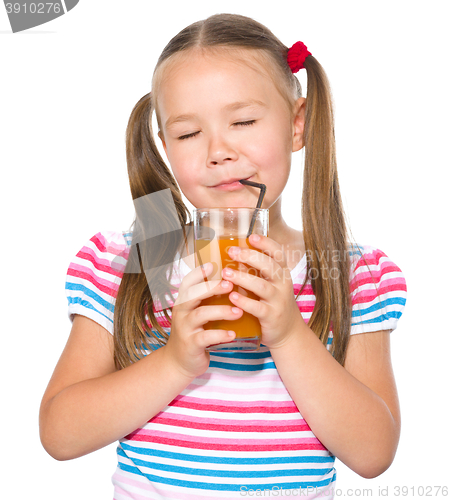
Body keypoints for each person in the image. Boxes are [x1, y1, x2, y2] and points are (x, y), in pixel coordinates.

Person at [39, 13, 407, 499]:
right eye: (189, 134)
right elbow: (60, 434)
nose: (218, 151)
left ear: (297, 125)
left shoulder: (353, 273)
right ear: (166, 146)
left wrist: (290, 334)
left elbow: (373, 453)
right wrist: (173, 361)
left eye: (244, 121)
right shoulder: (132, 258)